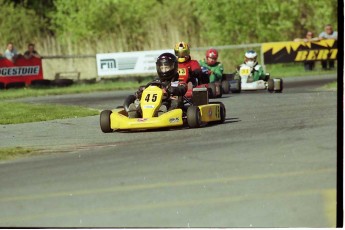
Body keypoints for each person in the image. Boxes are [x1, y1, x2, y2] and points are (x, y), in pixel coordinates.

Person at [126, 52, 187, 118]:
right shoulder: (156, 81)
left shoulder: (178, 81)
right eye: (162, 68)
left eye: (166, 68)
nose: (164, 70)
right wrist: (143, 90)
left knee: (174, 100)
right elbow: (149, 87)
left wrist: (170, 90)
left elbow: (183, 88)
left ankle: (163, 113)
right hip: (153, 102)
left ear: (174, 67)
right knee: (143, 101)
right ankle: (136, 111)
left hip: (168, 102)